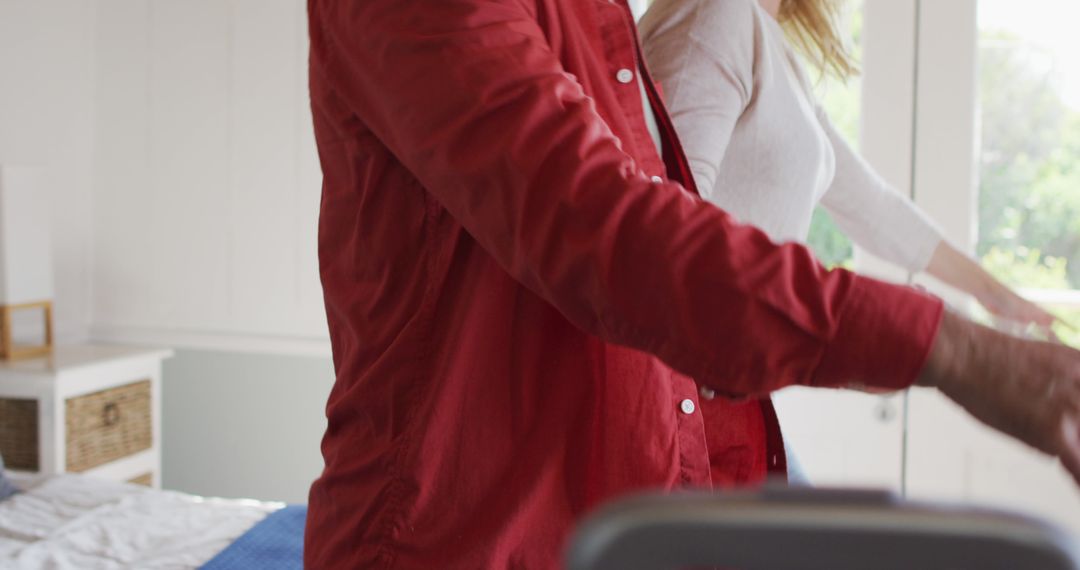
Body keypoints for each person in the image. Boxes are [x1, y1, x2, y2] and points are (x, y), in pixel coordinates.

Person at [304, 0, 1080, 568]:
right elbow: (616, 235)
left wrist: (996, 314)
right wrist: (942, 348)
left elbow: (866, 201)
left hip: (602, 507)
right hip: (455, 539)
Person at [638, 0, 1058, 483]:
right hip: (687, 413)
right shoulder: (718, 17)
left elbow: (874, 207)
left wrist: (1001, 299)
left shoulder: (770, 46)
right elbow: (665, 236)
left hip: (736, 403)